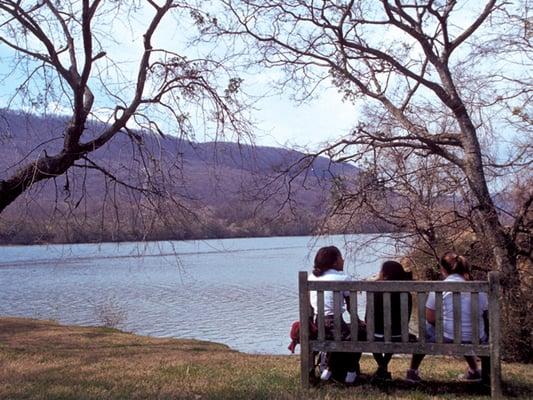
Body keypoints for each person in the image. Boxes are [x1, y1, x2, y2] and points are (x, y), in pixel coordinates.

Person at [406, 252, 489, 383]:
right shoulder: (480, 288)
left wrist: (444, 321)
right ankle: (474, 371)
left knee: (426, 331)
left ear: (443, 270)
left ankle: (412, 372)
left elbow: (430, 318)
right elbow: (485, 315)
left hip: (448, 337)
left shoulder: (438, 288)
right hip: (476, 337)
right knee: (466, 329)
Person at [308, 246, 365, 384]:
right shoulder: (343, 278)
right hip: (335, 324)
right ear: (334, 262)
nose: (343, 260)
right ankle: (351, 372)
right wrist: (358, 321)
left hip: (318, 324)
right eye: (341, 257)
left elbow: (309, 305)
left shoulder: (311, 278)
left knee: (341, 336)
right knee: (360, 333)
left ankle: (329, 369)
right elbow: (351, 306)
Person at [368, 260, 414, 380]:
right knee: (393, 334)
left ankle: (382, 367)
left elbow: (368, 319)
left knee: (371, 335)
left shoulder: (374, 293)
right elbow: (406, 321)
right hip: (399, 335)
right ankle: (383, 368)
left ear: (385, 274)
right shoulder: (406, 294)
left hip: (375, 335)